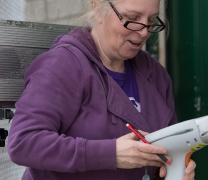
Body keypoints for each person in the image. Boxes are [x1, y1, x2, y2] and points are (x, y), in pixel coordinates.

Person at [8, 0, 196, 179]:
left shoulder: (156, 74)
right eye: (132, 18)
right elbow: (23, 142)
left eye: (151, 20)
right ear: (97, 8)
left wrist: (175, 169)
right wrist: (111, 154)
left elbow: (167, 150)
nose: (144, 32)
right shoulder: (63, 65)